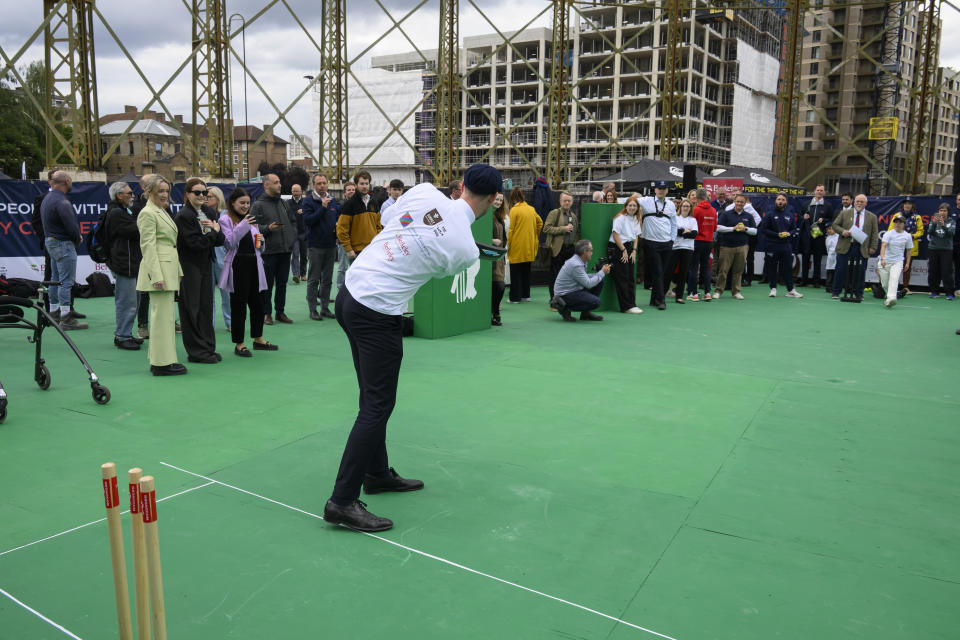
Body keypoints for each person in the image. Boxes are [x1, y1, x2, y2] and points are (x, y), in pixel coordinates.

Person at [322, 164, 503, 533]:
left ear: (462, 184)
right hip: (377, 312)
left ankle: (376, 474)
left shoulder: (424, 192)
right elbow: (440, 266)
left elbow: (392, 218)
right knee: (377, 405)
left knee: (371, 399)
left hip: (350, 296)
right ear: (494, 199)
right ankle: (341, 501)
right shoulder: (466, 251)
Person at [218, 188, 278, 356]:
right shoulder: (225, 220)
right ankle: (239, 344)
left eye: (247, 203)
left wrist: (261, 241)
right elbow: (229, 243)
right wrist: (244, 224)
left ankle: (258, 338)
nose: (245, 206)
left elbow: (258, 245)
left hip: (255, 263)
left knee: (258, 304)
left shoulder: (252, 220)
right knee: (239, 306)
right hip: (238, 265)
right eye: (241, 203)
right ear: (232, 203)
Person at [136, 174, 185, 376]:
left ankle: (164, 360)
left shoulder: (160, 211)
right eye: (160, 191)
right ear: (149, 192)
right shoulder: (148, 213)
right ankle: (161, 364)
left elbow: (170, 245)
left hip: (168, 269)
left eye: (167, 190)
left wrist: (178, 271)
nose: (165, 194)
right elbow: (147, 246)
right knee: (161, 319)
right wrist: (156, 275)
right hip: (159, 272)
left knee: (166, 319)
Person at [175, 178, 225, 364]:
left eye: (204, 193)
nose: (202, 196)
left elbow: (220, 239)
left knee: (206, 308)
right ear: (188, 194)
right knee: (192, 309)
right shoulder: (184, 216)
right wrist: (213, 232)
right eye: (197, 193)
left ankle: (207, 348)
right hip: (190, 267)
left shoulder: (208, 211)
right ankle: (196, 351)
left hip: (206, 264)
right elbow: (194, 243)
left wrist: (214, 233)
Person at [39, 171, 88, 330]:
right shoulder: (62, 201)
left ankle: (53, 314)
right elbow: (71, 225)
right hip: (63, 243)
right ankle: (66, 319)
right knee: (66, 282)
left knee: (55, 278)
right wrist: (77, 238)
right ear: (67, 181)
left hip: (51, 242)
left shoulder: (48, 198)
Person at [252, 174, 298, 324]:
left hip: (285, 250)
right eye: (276, 182)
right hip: (268, 252)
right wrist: (267, 228)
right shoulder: (258, 205)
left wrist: (292, 237)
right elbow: (252, 228)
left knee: (282, 283)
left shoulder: (284, 203)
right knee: (267, 285)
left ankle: (280, 312)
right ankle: (266, 314)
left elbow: (292, 222)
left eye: (279, 182)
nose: (279, 185)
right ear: (266, 185)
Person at [103, 182, 142, 350]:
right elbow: (137, 230)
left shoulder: (123, 211)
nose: (132, 196)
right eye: (129, 193)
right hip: (123, 263)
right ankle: (122, 336)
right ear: (119, 195)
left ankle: (126, 333)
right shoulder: (117, 213)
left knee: (133, 300)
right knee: (127, 301)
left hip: (129, 262)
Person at [303, 172, 341, 320]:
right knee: (313, 279)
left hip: (330, 245)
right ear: (314, 185)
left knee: (327, 279)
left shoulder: (332, 200)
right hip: (315, 245)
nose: (322, 186)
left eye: (324, 183)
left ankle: (325, 308)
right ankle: (313, 309)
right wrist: (322, 208)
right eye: (319, 183)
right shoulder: (308, 201)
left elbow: (337, 218)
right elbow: (308, 221)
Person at [336, 170, 382, 293]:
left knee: (370, 281)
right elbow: (341, 229)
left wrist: (377, 244)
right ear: (356, 185)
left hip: (371, 250)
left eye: (366, 183)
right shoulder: (349, 204)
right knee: (357, 283)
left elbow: (378, 226)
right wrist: (349, 249)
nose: (364, 186)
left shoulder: (374, 202)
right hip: (356, 251)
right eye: (361, 183)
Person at [638, 180, 678, 310]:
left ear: (667, 190)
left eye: (664, 188)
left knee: (661, 272)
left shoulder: (671, 204)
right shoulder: (646, 201)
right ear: (655, 190)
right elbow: (629, 201)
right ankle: (661, 300)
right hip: (650, 242)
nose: (661, 190)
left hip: (666, 243)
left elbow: (673, 224)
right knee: (657, 271)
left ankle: (653, 299)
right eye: (659, 188)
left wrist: (672, 240)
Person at [831, 193, 879, 301]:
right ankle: (836, 292)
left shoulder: (872, 217)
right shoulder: (844, 213)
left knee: (860, 272)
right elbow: (834, 225)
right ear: (854, 202)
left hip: (862, 248)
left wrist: (873, 247)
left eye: (862, 202)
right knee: (840, 270)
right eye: (857, 201)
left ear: (866, 203)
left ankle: (859, 293)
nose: (859, 203)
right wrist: (843, 231)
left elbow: (875, 233)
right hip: (845, 246)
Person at [551, 239, 610, 322]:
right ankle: (564, 308)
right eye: (591, 250)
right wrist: (602, 272)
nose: (592, 253)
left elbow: (583, 277)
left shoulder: (581, 259)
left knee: (599, 281)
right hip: (564, 295)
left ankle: (585, 314)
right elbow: (588, 284)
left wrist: (598, 274)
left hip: (573, 290)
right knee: (596, 302)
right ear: (585, 252)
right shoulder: (576, 264)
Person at [713, 194, 756, 300]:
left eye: (742, 202)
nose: (739, 204)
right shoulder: (726, 214)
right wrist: (733, 228)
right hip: (727, 246)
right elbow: (718, 227)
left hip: (742, 247)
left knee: (738, 270)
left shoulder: (748, 216)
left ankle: (736, 291)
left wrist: (745, 229)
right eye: (737, 201)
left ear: (745, 203)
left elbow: (754, 231)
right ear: (734, 202)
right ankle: (718, 291)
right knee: (723, 270)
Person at [762, 193, 803, 299]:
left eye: (782, 199)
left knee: (787, 268)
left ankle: (790, 290)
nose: (780, 201)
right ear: (776, 201)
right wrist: (777, 235)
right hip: (772, 245)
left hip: (786, 246)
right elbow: (764, 229)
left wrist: (790, 233)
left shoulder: (789, 214)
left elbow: (794, 228)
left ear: (786, 202)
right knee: (772, 267)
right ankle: (773, 289)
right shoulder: (769, 214)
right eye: (778, 199)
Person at [505, 186, 542, 303]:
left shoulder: (514, 210)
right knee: (526, 271)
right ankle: (526, 295)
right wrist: (534, 234)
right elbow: (540, 222)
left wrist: (508, 244)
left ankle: (514, 297)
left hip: (517, 246)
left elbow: (510, 230)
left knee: (515, 272)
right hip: (529, 245)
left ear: (513, 198)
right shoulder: (531, 209)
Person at [608, 197, 643, 313]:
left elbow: (636, 236)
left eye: (634, 206)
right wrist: (623, 250)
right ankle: (626, 306)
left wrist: (634, 250)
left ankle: (632, 304)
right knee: (622, 277)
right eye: (630, 205)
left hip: (629, 248)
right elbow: (615, 235)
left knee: (630, 277)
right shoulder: (620, 218)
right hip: (618, 248)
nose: (632, 208)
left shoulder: (636, 218)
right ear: (626, 206)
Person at [543, 191, 579, 298]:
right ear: (560, 201)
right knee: (555, 275)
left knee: (568, 276)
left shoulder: (573, 216)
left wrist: (576, 246)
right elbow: (546, 228)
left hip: (570, 250)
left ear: (572, 202)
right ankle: (554, 300)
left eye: (569, 201)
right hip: (558, 249)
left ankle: (565, 299)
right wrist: (564, 229)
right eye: (565, 200)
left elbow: (576, 232)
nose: (567, 203)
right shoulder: (554, 213)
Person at [205, 186, 231, 331]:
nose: (206, 199)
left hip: (224, 259)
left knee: (227, 294)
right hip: (208, 258)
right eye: (205, 196)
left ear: (218, 198)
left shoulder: (226, 216)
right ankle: (209, 324)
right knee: (208, 296)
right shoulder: (202, 215)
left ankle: (230, 322)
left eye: (209, 196)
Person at [798, 184, 833, 287]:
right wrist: (803, 217)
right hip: (807, 235)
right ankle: (803, 280)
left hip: (819, 235)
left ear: (824, 192)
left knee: (817, 259)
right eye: (818, 190)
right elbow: (799, 217)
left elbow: (831, 219)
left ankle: (816, 281)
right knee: (805, 258)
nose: (819, 192)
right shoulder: (806, 204)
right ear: (814, 191)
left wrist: (824, 220)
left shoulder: (828, 205)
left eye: (821, 190)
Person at [887, 197, 923, 294]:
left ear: (912, 206)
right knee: (894, 267)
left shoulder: (917, 217)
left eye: (909, 203)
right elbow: (890, 229)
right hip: (896, 246)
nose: (907, 205)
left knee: (907, 267)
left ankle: (905, 287)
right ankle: (892, 287)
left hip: (910, 245)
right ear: (903, 205)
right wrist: (898, 236)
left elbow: (921, 231)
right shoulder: (897, 216)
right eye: (905, 203)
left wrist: (911, 236)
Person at [876, 214, 913, 308]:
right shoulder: (888, 233)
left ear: (904, 224)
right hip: (885, 261)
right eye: (896, 222)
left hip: (898, 261)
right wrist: (883, 258)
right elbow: (883, 245)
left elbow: (909, 250)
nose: (898, 224)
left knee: (894, 278)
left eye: (900, 222)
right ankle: (891, 296)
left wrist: (908, 263)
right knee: (884, 284)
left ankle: (891, 298)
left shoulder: (907, 236)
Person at [665, 199, 698, 303]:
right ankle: (662, 292)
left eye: (688, 206)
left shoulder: (693, 220)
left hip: (688, 248)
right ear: (680, 207)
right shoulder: (675, 218)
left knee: (683, 273)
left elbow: (694, 234)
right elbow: (674, 231)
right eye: (684, 206)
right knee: (669, 271)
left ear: (690, 208)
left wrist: (682, 231)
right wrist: (686, 231)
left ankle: (679, 296)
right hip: (675, 247)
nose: (685, 208)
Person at [687, 188, 716, 302]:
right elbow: (714, 228)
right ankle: (707, 293)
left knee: (693, 268)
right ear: (706, 197)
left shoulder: (695, 210)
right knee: (705, 268)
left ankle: (694, 294)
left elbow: (690, 227)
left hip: (696, 241)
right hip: (708, 241)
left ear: (697, 198)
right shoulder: (713, 210)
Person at [927, 203, 956, 299]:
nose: (942, 213)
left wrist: (943, 226)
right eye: (941, 210)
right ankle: (934, 291)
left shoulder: (951, 221)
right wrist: (934, 224)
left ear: (948, 212)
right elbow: (930, 232)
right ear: (938, 211)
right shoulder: (934, 220)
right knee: (933, 271)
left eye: (944, 211)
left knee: (947, 271)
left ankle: (950, 293)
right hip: (933, 249)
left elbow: (951, 234)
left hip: (946, 250)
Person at [335, 181, 357, 292]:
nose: (351, 192)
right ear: (345, 192)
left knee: (355, 268)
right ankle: (340, 290)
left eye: (353, 190)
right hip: (344, 242)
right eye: (349, 190)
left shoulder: (360, 204)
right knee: (342, 268)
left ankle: (353, 291)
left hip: (357, 242)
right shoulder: (340, 205)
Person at [491, 192, 508, 326]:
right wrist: (491, 241)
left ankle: (494, 313)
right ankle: (494, 313)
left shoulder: (499, 217)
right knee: (499, 286)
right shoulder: (485, 216)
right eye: (496, 199)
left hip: (499, 259)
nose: (498, 202)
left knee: (499, 287)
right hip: (490, 258)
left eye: (500, 200)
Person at [289, 183, 307, 284]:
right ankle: (296, 274)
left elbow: (310, 213)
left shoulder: (305, 202)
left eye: (297, 191)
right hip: (293, 233)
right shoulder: (287, 203)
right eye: (294, 191)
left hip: (304, 233)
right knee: (295, 254)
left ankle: (303, 274)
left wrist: (304, 211)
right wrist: (297, 213)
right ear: (291, 192)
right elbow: (287, 216)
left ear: (301, 192)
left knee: (304, 255)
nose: (296, 193)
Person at [825, 226, 839, 291]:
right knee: (830, 272)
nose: (829, 231)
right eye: (828, 229)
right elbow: (827, 248)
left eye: (831, 229)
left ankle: (835, 286)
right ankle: (828, 287)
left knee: (836, 272)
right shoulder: (827, 238)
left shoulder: (839, 236)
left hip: (837, 256)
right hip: (830, 256)